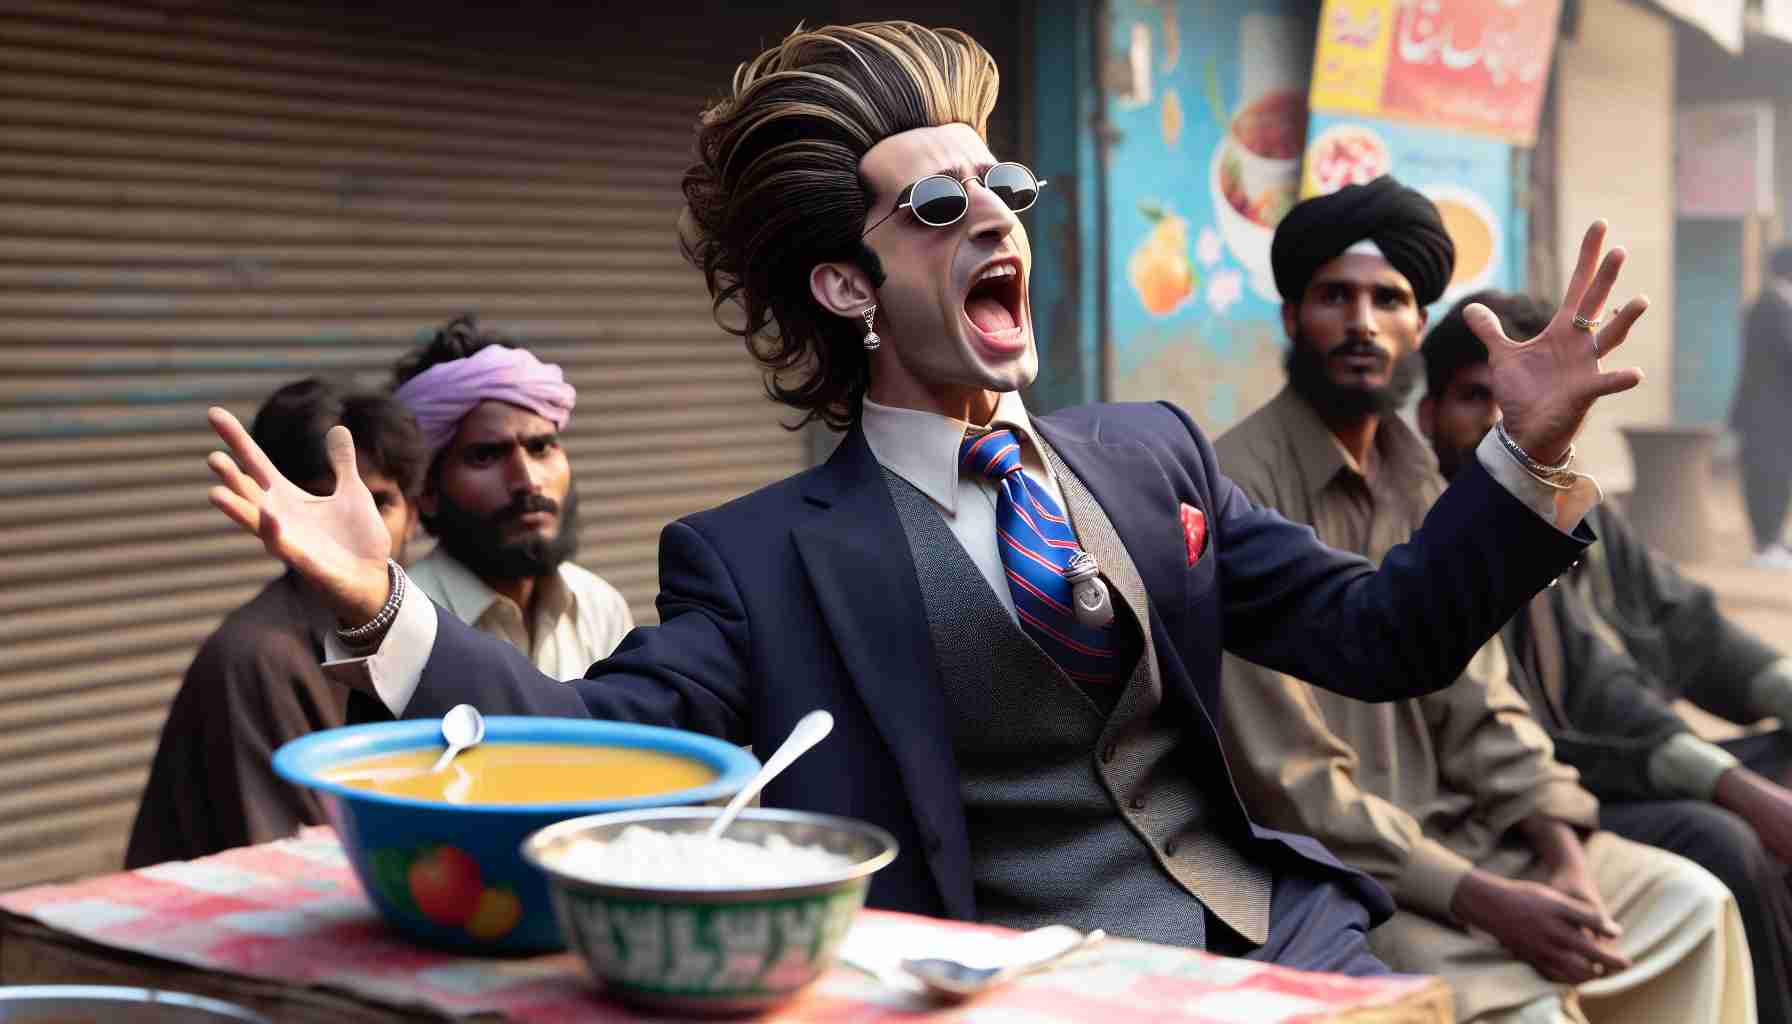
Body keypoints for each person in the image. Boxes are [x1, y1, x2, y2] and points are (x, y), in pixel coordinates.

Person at [199, 23, 1643, 973]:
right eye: (938, 208)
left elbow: (1386, 634)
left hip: (1275, 935)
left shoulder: (1151, 458)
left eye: (999, 187)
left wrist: (1520, 463)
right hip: (998, 983)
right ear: (848, 286)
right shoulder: (755, 562)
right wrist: (383, 605)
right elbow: (583, 744)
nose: (997, 215)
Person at [1214, 186, 1753, 1023]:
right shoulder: (1236, 487)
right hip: (1349, 870)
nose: (1362, 323)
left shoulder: (1421, 475)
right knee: (1530, 1010)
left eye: (1389, 300)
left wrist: (1560, 844)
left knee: (1691, 905)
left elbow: (1484, 692)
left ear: (1414, 328)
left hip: (1483, 837)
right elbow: (1292, 782)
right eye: (1334, 297)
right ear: (1292, 320)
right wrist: (1484, 898)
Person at [1422, 288, 1792, 1021]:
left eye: (1531, 400)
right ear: (1429, 415)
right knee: (1728, 839)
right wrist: (1738, 788)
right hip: (1553, 794)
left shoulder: (1578, 505)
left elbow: (1692, 627)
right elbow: (1594, 701)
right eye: (1477, 400)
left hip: (1646, 760)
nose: (1506, 426)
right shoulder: (1443, 537)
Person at [125, 380, 423, 868]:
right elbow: (298, 869)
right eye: (321, 505)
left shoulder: (424, 637)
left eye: (380, 504)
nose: (354, 528)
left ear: (414, 515)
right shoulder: (257, 657)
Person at [390, 315, 632, 679]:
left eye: (540, 447)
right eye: (486, 455)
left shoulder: (600, 607)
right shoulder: (399, 628)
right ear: (426, 490)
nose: (528, 481)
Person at [1732, 245, 1792, 570]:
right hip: (1766, 414)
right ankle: (1765, 544)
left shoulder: (1773, 304)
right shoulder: (1773, 306)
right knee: (1766, 477)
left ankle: (1772, 540)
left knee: (1777, 477)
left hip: (1772, 413)